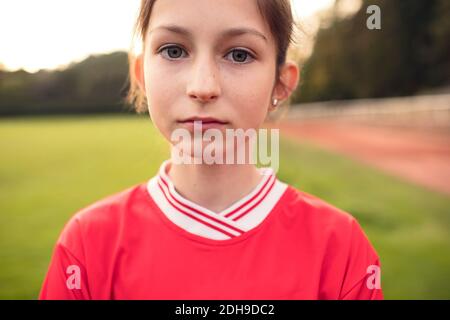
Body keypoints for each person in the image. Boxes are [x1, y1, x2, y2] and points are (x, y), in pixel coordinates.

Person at [39, 0, 383, 300]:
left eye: (239, 54)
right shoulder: (87, 245)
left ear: (280, 83)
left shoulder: (340, 249)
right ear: (142, 74)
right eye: (173, 51)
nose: (203, 86)